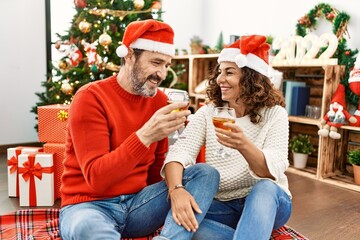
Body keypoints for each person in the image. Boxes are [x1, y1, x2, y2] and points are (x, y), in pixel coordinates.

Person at [59, 19, 220, 240]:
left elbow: (157, 167)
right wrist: (145, 135)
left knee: (205, 173)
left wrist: (174, 192)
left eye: (166, 65)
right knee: (88, 229)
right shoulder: (90, 98)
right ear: (129, 56)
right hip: (90, 206)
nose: (161, 74)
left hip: (138, 205)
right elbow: (98, 179)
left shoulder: (159, 100)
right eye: (155, 62)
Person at [161, 35, 292, 240]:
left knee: (265, 188)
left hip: (268, 203)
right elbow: (180, 151)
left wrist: (243, 145)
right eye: (220, 72)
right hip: (222, 206)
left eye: (229, 72)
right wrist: (176, 190)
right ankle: (251, 233)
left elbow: (271, 170)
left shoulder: (275, 114)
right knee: (186, 218)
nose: (220, 79)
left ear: (251, 78)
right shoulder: (208, 113)